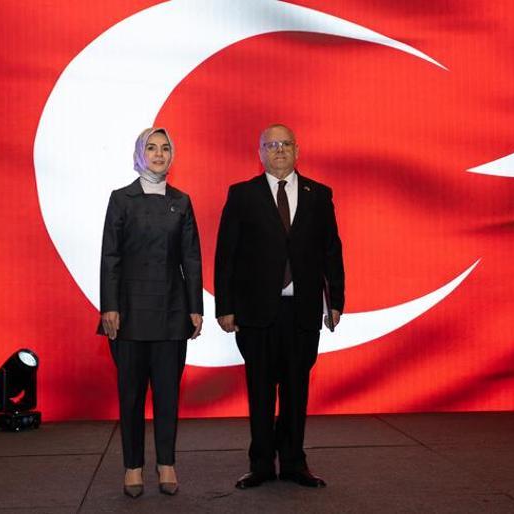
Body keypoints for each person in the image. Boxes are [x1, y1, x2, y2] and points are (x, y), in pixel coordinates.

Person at [214, 124, 345, 489]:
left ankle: (293, 463)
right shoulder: (242, 194)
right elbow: (226, 255)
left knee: (296, 389)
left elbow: (331, 252)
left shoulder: (319, 194)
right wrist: (225, 306)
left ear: (297, 150)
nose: (279, 150)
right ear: (260, 153)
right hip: (256, 312)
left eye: (286, 143)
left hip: (302, 311)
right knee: (259, 390)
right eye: (271, 145)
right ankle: (260, 464)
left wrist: (335, 301)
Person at [98, 127, 203, 499]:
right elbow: (110, 256)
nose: (159, 154)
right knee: (130, 395)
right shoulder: (121, 199)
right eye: (152, 148)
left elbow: (191, 258)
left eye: (165, 148)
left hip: (172, 311)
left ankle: (166, 463)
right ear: (140, 154)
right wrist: (109, 306)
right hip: (128, 313)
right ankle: (132, 466)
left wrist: (195, 308)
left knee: (167, 393)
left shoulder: (182, 201)